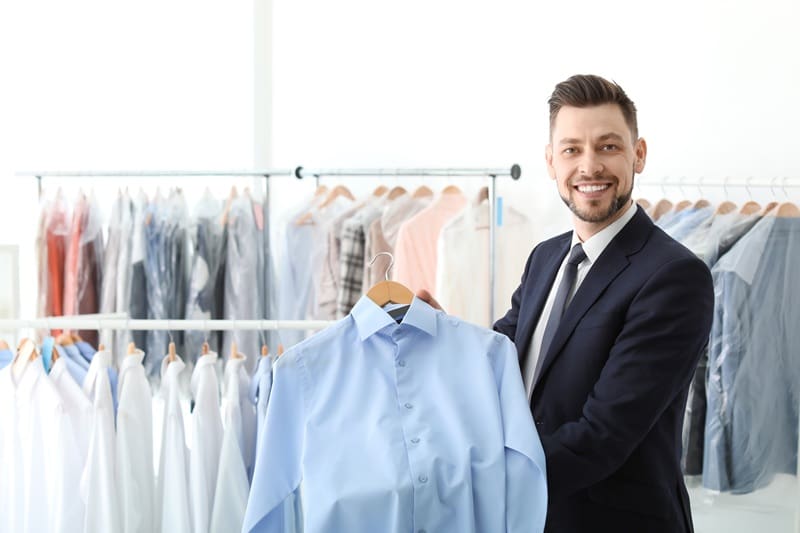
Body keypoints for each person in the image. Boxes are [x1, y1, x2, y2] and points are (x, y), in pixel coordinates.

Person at [419, 74, 714, 532]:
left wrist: (472, 481)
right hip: (532, 518)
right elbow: (500, 360)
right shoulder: (546, 256)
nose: (590, 166)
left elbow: (602, 437)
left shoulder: (674, 277)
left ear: (638, 154)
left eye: (609, 147)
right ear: (551, 161)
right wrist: (438, 332)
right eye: (572, 149)